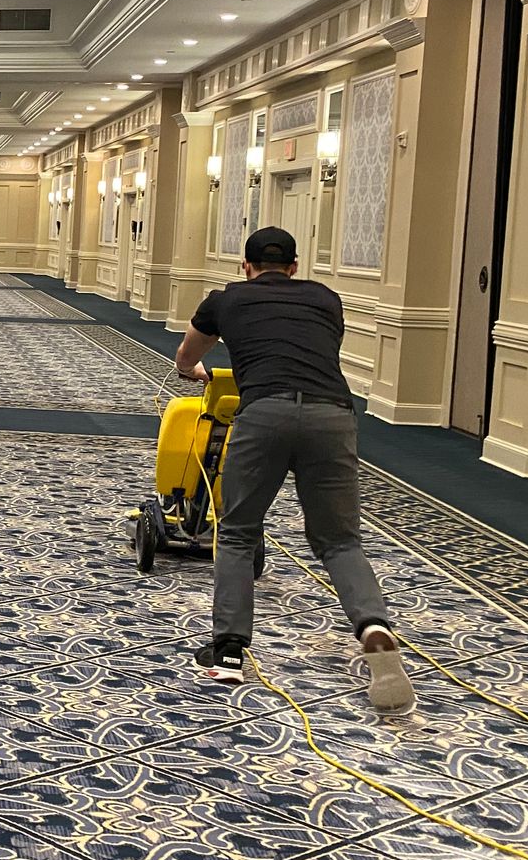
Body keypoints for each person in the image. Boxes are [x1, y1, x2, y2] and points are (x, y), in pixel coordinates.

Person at [174, 226, 414, 715]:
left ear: (245, 266)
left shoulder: (225, 300)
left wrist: (195, 373)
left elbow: (187, 357)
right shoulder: (326, 299)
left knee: (239, 531)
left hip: (263, 414)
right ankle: (374, 627)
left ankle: (228, 651)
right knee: (340, 540)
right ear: (295, 267)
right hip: (333, 414)